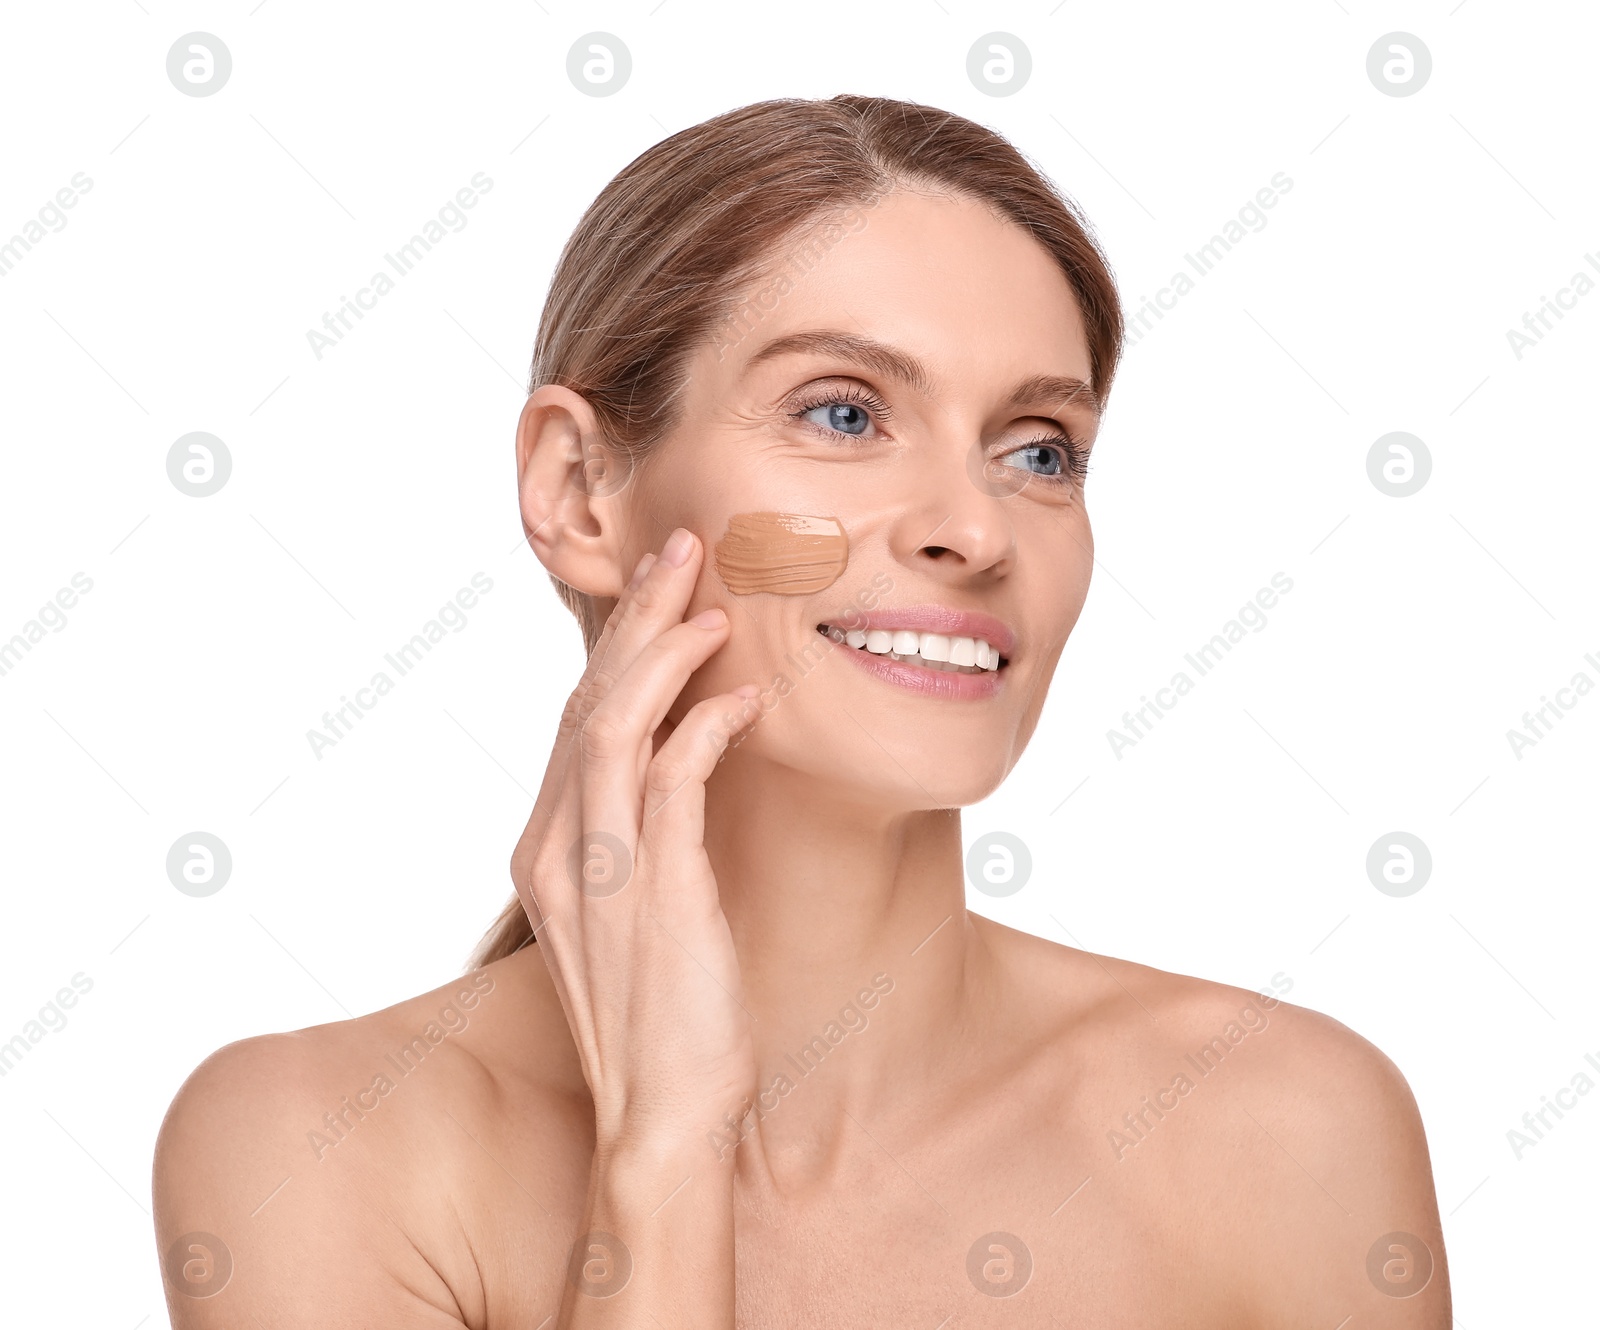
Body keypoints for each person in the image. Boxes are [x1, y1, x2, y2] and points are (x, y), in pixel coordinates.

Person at [153, 94, 1450, 1327]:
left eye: (1037, 447)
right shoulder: (315, 1144)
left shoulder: (1282, 1126)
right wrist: (665, 1151)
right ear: (579, 491)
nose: (971, 527)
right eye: (844, 412)